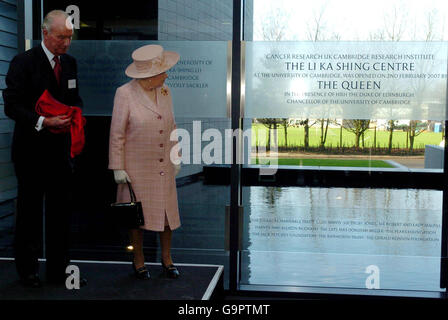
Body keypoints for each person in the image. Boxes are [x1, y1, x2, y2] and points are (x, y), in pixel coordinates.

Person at [2, 10, 86, 288]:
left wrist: (75, 114)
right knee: (29, 213)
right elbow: (12, 105)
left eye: (69, 37)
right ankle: (28, 272)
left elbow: (75, 98)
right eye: (61, 37)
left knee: (60, 214)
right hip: (31, 152)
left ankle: (60, 271)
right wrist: (42, 121)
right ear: (45, 33)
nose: (65, 43)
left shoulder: (70, 63)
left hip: (61, 153)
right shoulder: (23, 62)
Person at [109, 44, 181, 280]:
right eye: (163, 71)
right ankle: (138, 261)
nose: (167, 75)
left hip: (164, 165)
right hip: (136, 167)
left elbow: (172, 126)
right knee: (136, 217)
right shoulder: (125, 94)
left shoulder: (166, 92)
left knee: (168, 215)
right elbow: (117, 133)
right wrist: (117, 166)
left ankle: (167, 259)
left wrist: (176, 156)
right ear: (149, 74)